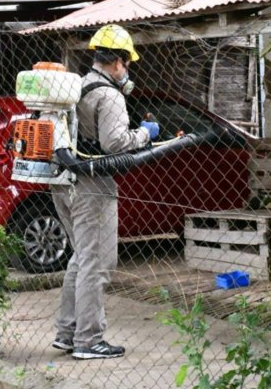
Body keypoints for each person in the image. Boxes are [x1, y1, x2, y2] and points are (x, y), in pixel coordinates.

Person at [51, 24, 159, 360]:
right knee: (98, 262)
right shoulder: (109, 94)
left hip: (64, 181)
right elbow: (116, 144)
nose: (127, 70)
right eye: (127, 64)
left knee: (81, 258)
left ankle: (68, 333)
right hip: (92, 184)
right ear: (118, 62)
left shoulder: (79, 86)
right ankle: (88, 340)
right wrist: (144, 132)